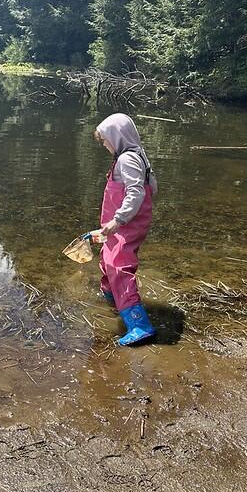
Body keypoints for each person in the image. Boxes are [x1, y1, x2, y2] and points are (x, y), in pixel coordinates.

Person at [94, 113, 158, 346]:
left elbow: (137, 192)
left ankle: (139, 325)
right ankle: (112, 295)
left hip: (125, 223)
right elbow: (153, 185)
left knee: (118, 266)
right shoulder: (135, 155)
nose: (104, 145)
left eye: (105, 140)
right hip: (122, 224)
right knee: (107, 258)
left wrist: (119, 219)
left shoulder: (127, 160)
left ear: (117, 136)